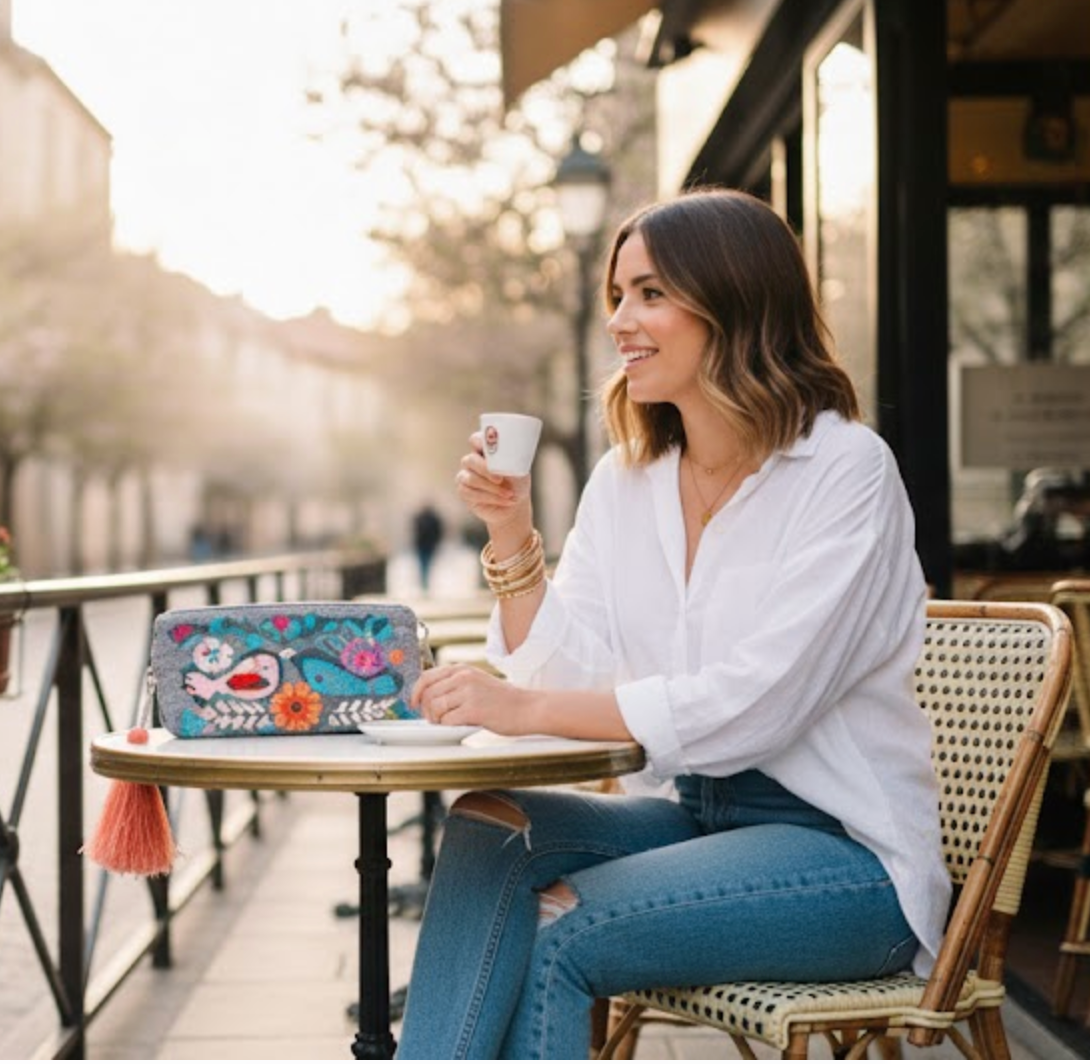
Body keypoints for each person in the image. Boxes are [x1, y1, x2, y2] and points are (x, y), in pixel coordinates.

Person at [397, 188, 950, 1060]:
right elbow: (569, 671)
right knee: (486, 826)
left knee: (562, 931)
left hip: (842, 856)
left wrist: (521, 712)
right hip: (695, 815)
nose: (621, 320)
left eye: (651, 293)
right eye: (618, 295)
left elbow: (753, 706)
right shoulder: (630, 477)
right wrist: (511, 533)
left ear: (735, 300)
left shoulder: (845, 470)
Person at [411, 503, 445, 593]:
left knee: (424, 563)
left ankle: (424, 581)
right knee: (426, 563)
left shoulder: (421, 518)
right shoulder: (431, 519)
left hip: (425, 545)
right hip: (427, 545)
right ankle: (424, 582)